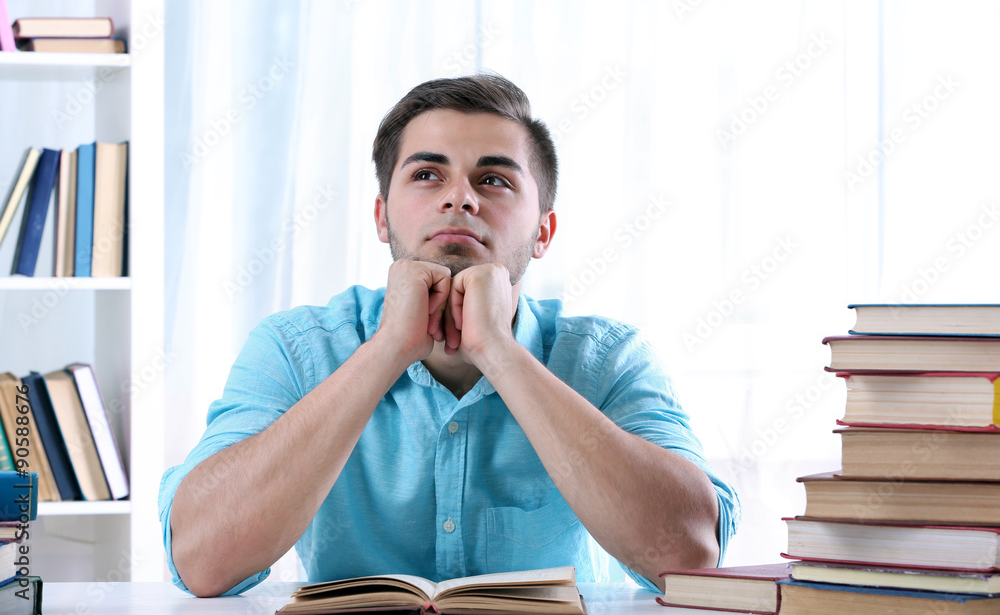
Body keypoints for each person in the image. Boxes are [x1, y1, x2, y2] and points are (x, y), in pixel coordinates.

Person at [159, 73, 740, 598]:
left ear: (544, 231)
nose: (460, 197)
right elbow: (203, 561)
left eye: (493, 179)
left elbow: (688, 555)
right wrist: (387, 351)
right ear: (382, 216)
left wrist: (502, 355)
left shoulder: (609, 359)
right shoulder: (295, 348)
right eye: (427, 174)